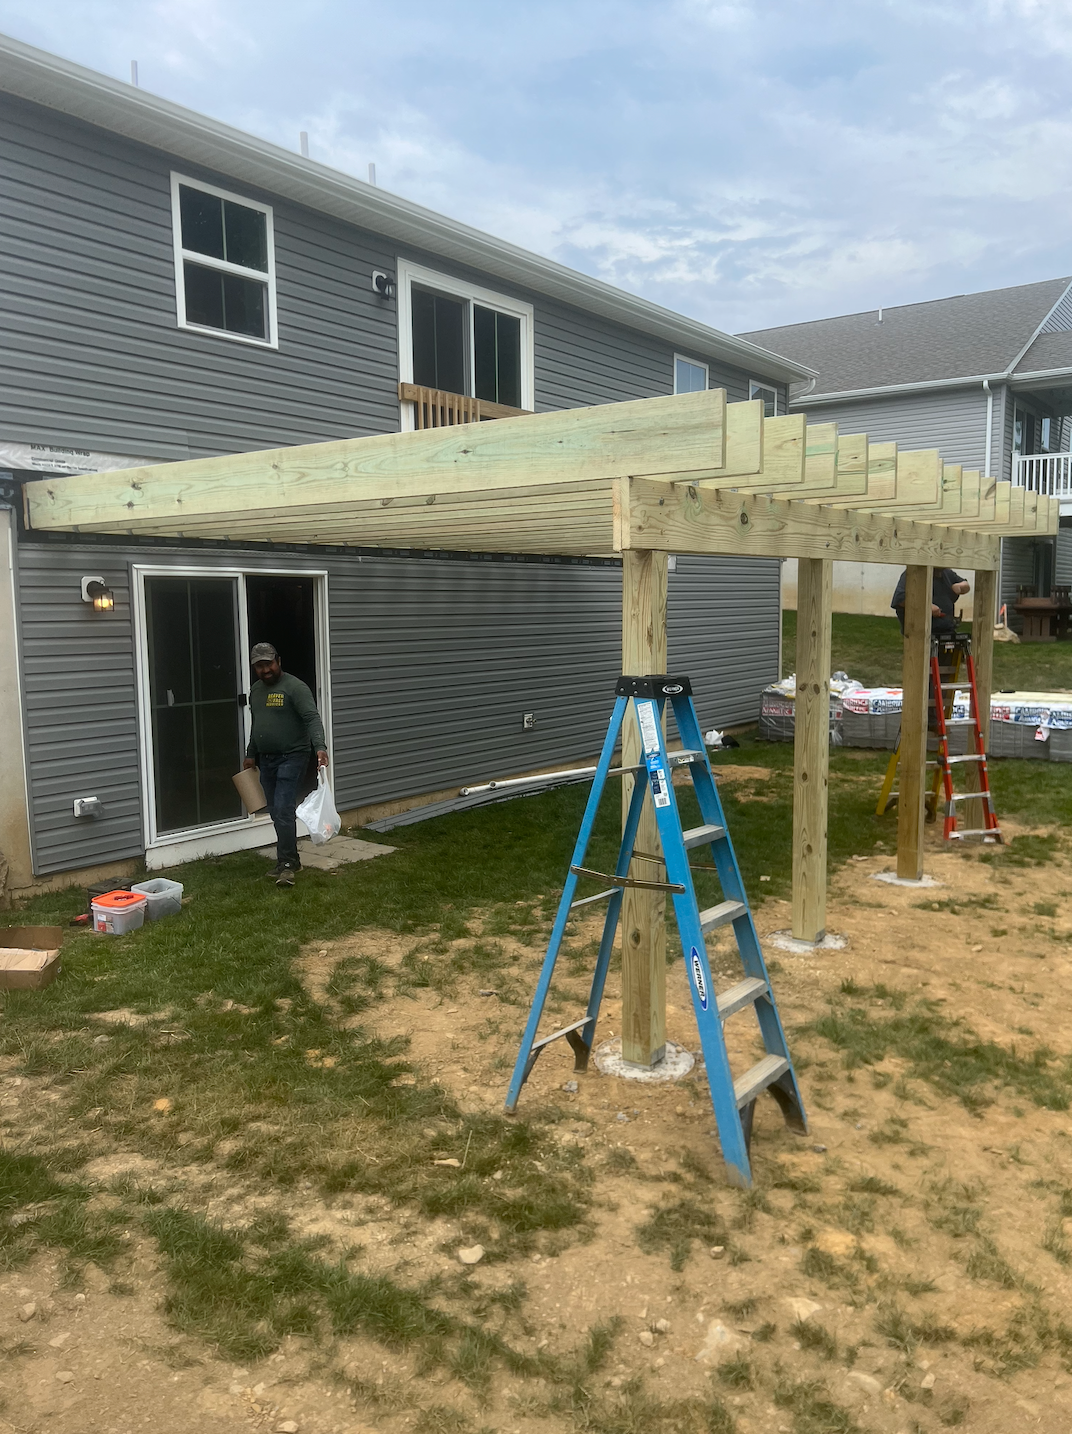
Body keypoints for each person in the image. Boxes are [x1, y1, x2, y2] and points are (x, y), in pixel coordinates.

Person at [242, 642, 328, 886]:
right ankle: (289, 859)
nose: (265, 669)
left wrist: (319, 747)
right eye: (259, 666)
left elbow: (311, 718)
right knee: (274, 809)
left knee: (282, 807)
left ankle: (287, 862)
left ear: (278, 660)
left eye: (268, 663)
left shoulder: (295, 687)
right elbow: (258, 724)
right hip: (266, 759)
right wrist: (251, 753)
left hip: (293, 755)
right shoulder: (256, 690)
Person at [891, 568, 970, 637]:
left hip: (947, 631)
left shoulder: (947, 572)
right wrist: (926, 607)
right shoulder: (913, 573)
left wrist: (962, 587)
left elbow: (965, 584)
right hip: (920, 634)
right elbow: (900, 599)